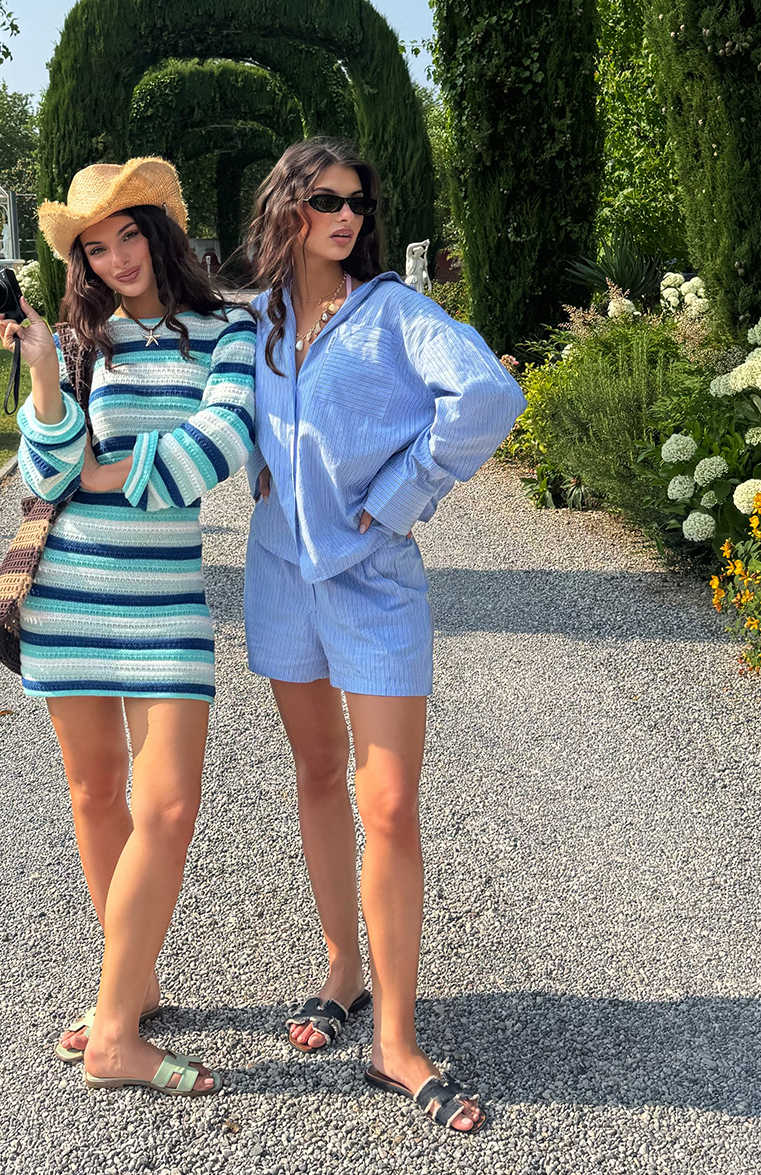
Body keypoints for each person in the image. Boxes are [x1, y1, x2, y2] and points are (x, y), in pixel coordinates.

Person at [242, 137, 525, 1133]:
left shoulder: (395, 313)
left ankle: (396, 1042)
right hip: (280, 577)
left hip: (375, 585)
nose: (346, 216)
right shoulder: (262, 322)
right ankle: (341, 969)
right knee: (318, 772)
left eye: (357, 202)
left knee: (391, 803)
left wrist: (402, 494)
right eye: (325, 200)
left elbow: (490, 395)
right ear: (286, 207)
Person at [0, 157, 255, 1096]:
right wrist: (44, 376)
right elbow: (45, 473)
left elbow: (226, 439)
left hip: (167, 598)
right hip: (72, 590)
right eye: (95, 249)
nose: (115, 259)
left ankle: (109, 1031)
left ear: (159, 232)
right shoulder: (77, 338)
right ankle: (127, 997)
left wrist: (110, 471)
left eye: (127, 235)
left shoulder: (227, 328)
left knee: (169, 807)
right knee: (97, 794)